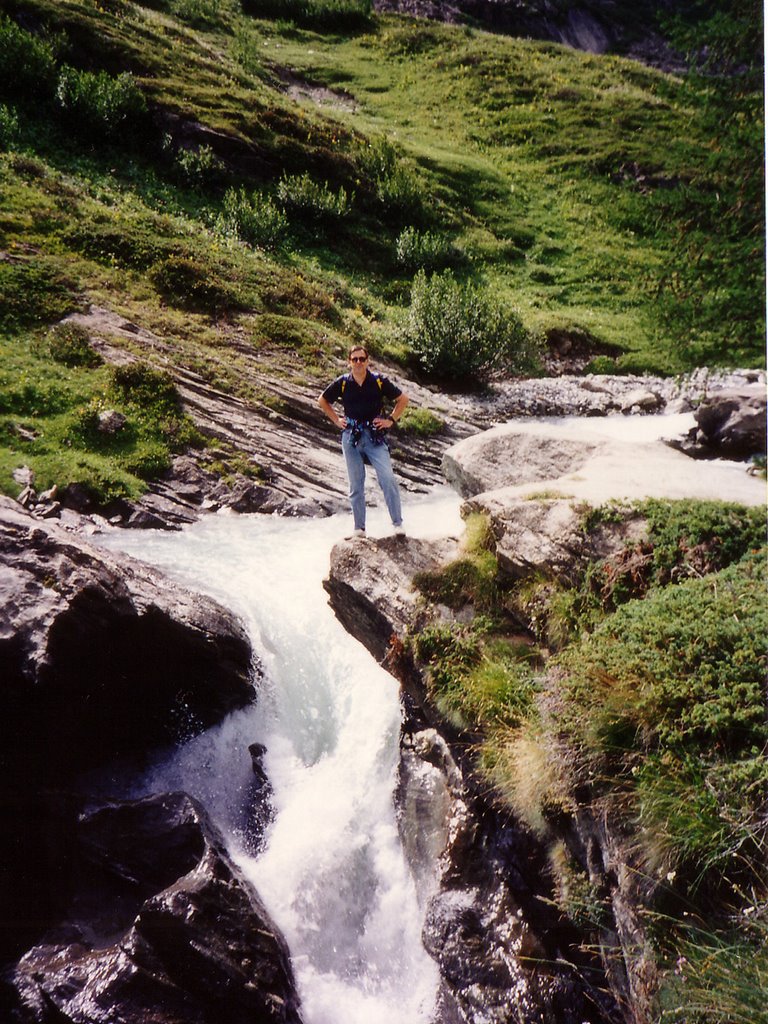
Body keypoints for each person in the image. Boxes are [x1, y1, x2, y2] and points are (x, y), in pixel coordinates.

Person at [318, 345, 409, 538]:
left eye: (362, 359)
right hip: (351, 437)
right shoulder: (343, 383)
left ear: (368, 361)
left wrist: (390, 420)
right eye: (355, 359)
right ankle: (359, 529)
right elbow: (322, 400)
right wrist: (336, 420)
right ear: (349, 362)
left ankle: (398, 524)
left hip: (375, 437)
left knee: (388, 479)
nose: (358, 362)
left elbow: (402, 399)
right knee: (356, 485)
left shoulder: (378, 381)